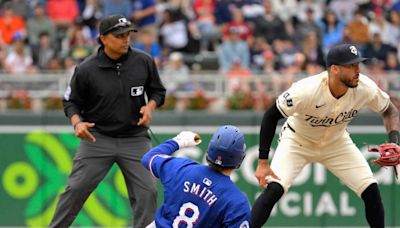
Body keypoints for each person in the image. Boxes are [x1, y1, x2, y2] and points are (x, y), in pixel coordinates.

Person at [251, 43, 400, 228]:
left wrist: (394, 141)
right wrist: (262, 162)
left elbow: (390, 111)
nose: (357, 70)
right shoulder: (306, 90)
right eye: (351, 65)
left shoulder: (365, 87)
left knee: (371, 190)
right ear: (335, 69)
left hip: (336, 143)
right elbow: (271, 115)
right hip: (298, 141)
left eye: (358, 64)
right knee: (273, 190)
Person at [50, 14, 166, 228]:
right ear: (103, 38)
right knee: (75, 189)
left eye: (128, 34)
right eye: (119, 35)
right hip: (98, 138)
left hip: (135, 138)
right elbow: (70, 102)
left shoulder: (143, 61)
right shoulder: (86, 69)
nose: (125, 39)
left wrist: (150, 107)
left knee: (147, 192)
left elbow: (158, 91)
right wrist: (77, 123)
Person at [141, 126, 251, 228]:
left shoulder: (181, 168)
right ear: (239, 160)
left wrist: (178, 141)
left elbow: (148, 158)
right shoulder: (237, 201)